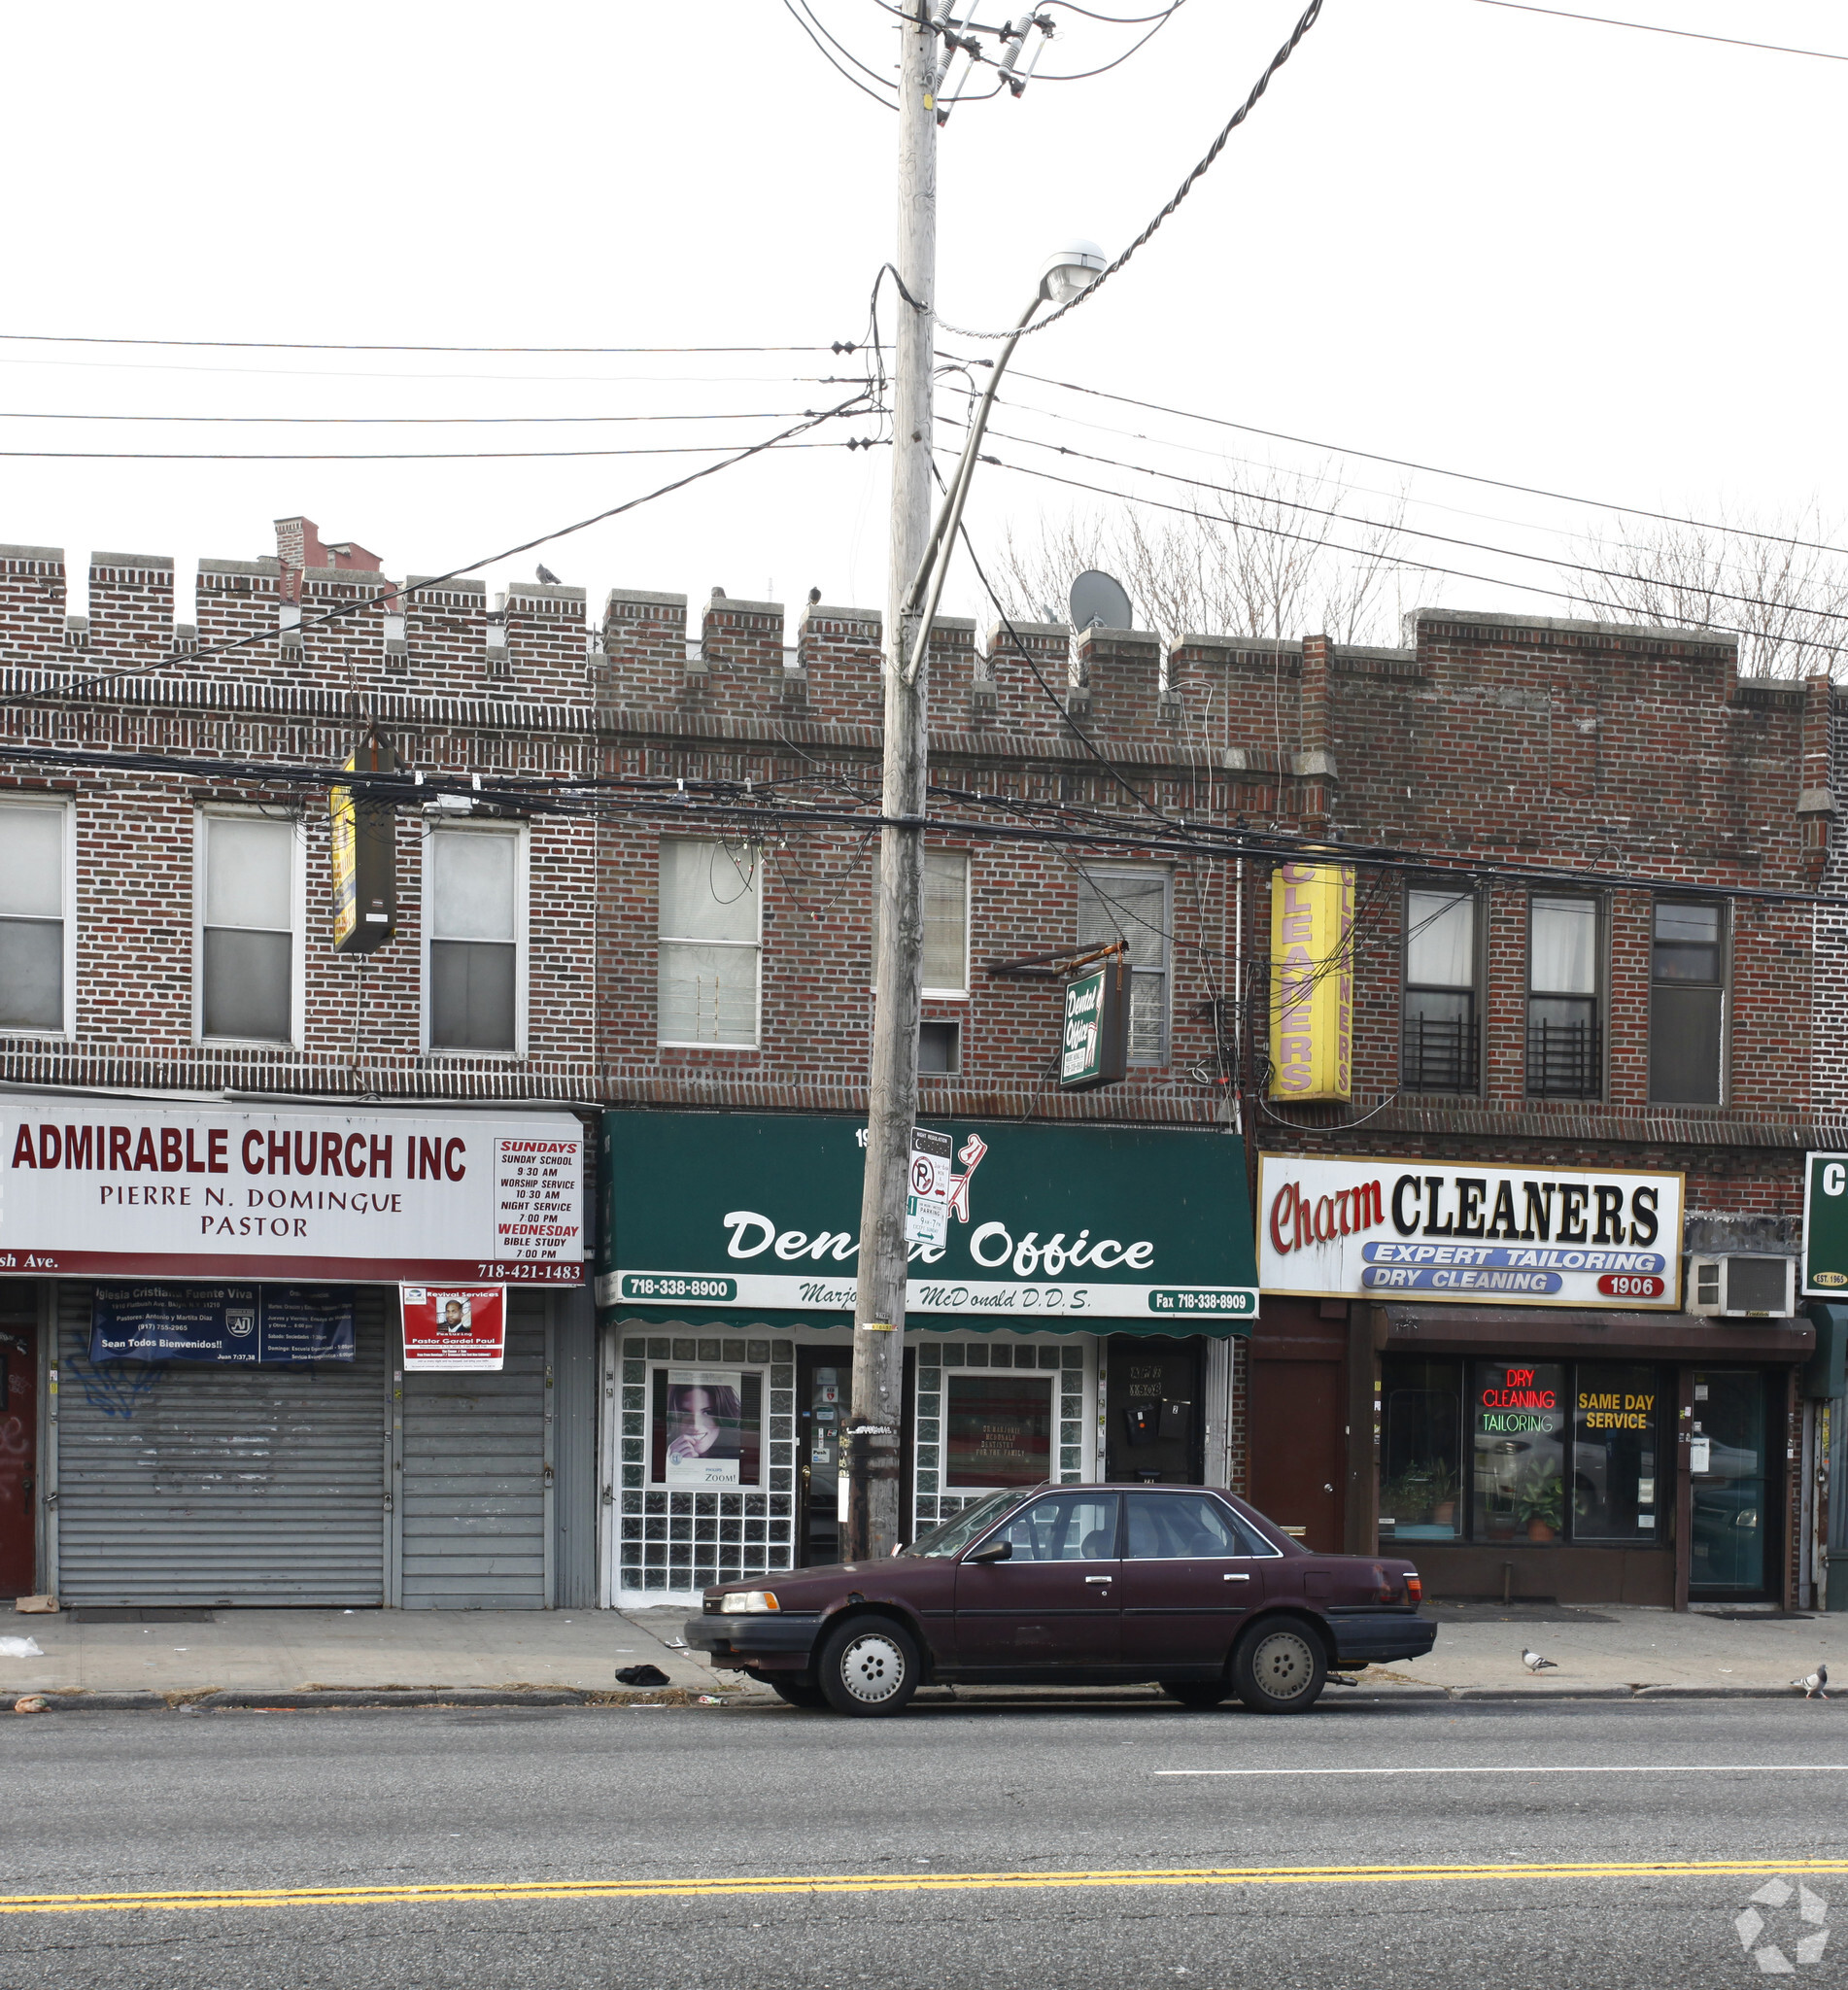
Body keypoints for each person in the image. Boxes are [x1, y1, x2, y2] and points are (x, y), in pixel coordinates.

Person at [665, 1382, 742, 1464]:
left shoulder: (741, 1458)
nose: (696, 1427)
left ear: (723, 1414)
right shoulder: (656, 1453)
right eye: (685, 1413)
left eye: (707, 1412)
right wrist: (672, 1464)